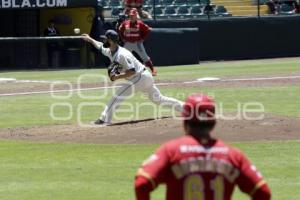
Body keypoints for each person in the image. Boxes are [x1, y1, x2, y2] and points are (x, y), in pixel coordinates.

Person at [135, 93, 272, 200]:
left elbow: (142, 184)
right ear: (213, 123)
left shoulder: (171, 151)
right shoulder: (233, 155)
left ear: (185, 121)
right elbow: (263, 192)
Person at [81, 30, 183, 125]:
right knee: (159, 99)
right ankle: (186, 108)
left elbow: (132, 71)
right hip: (144, 77)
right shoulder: (110, 50)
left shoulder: (122, 55)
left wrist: (117, 77)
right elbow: (100, 46)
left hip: (139, 77)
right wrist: (90, 39)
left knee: (117, 95)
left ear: (111, 41)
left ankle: (104, 119)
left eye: (106, 39)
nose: (104, 40)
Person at [119, 8, 157, 76]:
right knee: (122, 56)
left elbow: (147, 30)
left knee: (144, 57)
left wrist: (143, 39)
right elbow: (120, 30)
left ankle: (153, 70)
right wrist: (123, 38)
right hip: (128, 43)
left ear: (136, 15)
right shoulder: (125, 23)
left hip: (137, 43)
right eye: (130, 15)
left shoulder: (140, 23)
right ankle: (119, 71)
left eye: (133, 15)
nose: (131, 17)